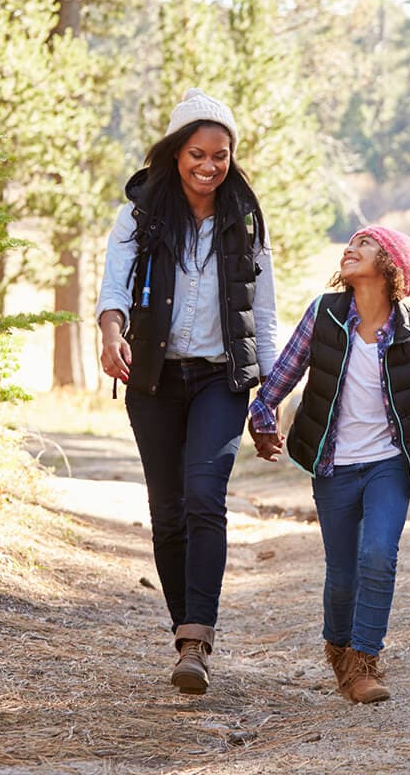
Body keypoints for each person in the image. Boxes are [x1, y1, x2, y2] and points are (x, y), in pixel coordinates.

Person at [96, 88, 277, 696]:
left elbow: (265, 313)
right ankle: (182, 629)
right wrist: (110, 333)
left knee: (205, 497)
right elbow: (113, 289)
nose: (209, 165)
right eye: (197, 153)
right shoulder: (141, 213)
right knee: (168, 512)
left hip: (220, 379)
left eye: (220, 154)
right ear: (175, 155)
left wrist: (269, 395)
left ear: (231, 156)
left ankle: (196, 640)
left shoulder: (246, 216)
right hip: (153, 377)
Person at [247, 225, 410, 704]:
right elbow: (285, 372)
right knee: (342, 573)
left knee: (378, 555)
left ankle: (364, 661)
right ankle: (338, 649)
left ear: (392, 267)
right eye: (350, 242)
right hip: (333, 463)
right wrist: (262, 412)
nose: (351, 248)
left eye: (366, 244)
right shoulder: (323, 314)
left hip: (388, 464)